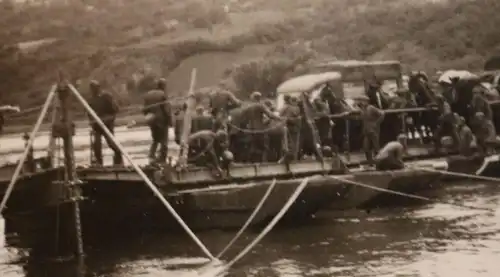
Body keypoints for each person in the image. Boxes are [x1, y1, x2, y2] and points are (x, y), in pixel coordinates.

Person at [88, 80, 122, 166]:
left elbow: (115, 110)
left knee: (111, 143)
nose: (93, 90)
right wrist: (92, 122)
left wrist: (108, 119)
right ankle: (99, 163)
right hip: (97, 126)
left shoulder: (106, 96)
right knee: (97, 145)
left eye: (95, 88)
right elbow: (89, 113)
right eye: (92, 88)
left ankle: (118, 158)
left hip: (107, 124)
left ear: (98, 87)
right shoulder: (91, 99)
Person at [143, 78, 172, 164]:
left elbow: (145, 109)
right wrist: (169, 120)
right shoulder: (162, 94)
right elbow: (167, 109)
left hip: (152, 121)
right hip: (161, 121)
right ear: (163, 86)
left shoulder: (148, 94)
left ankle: (151, 156)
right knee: (164, 140)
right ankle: (162, 158)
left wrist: (149, 117)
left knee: (155, 139)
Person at [356, 95, 385, 165]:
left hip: (373, 129)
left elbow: (382, 114)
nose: (360, 102)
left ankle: (379, 161)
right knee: (366, 147)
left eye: (362, 101)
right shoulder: (362, 109)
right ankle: (370, 161)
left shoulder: (371, 108)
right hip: (366, 130)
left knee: (376, 146)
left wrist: (377, 123)